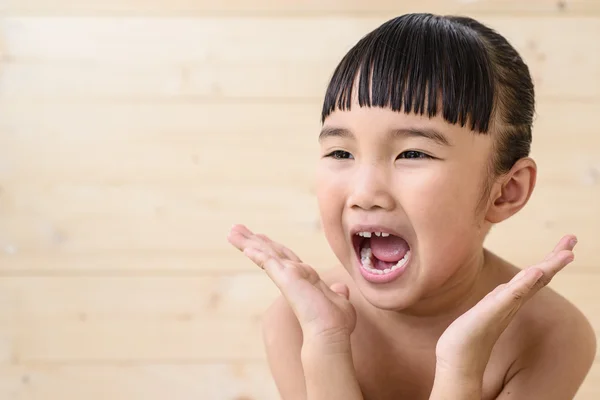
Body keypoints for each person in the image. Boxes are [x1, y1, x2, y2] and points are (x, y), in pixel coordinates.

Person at [227, 13, 596, 400]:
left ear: (505, 192)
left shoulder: (551, 336)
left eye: (413, 153)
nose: (365, 192)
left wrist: (460, 368)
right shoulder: (296, 322)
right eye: (340, 151)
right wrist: (327, 345)